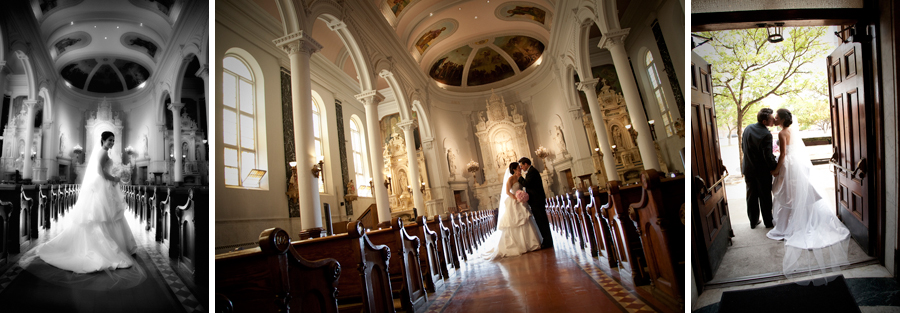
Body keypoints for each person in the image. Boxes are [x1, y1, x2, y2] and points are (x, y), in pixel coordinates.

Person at [37, 131, 136, 273]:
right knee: (102, 215)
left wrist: (113, 177)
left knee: (107, 215)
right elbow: (99, 172)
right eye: (110, 140)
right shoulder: (103, 152)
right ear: (103, 140)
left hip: (104, 185)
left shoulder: (103, 152)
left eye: (113, 140)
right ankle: (103, 249)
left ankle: (116, 244)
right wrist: (114, 178)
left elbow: (103, 170)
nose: (112, 142)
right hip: (102, 185)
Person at [767, 108, 850, 276]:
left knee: (787, 195)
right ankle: (797, 221)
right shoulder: (791, 130)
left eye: (776, 117)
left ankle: (789, 225)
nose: (774, 119)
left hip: (789, 165)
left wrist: (776, 170)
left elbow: (782, 155)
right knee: (796, 194)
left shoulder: (782, 133)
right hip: (797, 163)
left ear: (782, 119)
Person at [483, 162, 542, 260]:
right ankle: (516, 246)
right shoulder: (510, 179)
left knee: (525, 220)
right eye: (518, 167)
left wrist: (522, 196)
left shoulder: (520, 177)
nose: (520, 168)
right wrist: (516, 198)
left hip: (521, 202)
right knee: (514, 222)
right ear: (514, 169)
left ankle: (530, 244)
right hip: (514, 201)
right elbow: (507, 192)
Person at [742, 108, 778, 229]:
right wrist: (775, 167)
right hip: (762, 171)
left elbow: (743, 147)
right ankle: (768, 222)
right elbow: (767, 155)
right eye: (771, 119)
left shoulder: (748, 128)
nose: (773, 120)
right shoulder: (766, 134)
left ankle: (753, 221)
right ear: (764, 121)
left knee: (751, 196)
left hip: (748, 168)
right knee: (765, 196)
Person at [519, 157, 553, 249]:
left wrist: (519, 177)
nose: (521, 168)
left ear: (526, 164)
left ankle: (548, 241)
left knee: (542, 221)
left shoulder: (532, 172)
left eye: (522, 166)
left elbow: (526, 184)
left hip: (537, 201)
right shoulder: (531, 171)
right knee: (540, 221)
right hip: (536, 201)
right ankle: (546, 240)